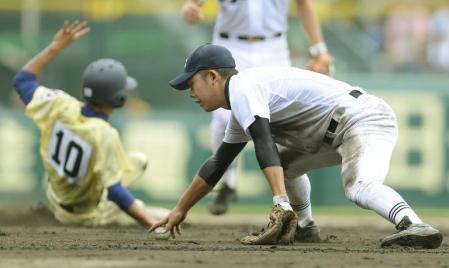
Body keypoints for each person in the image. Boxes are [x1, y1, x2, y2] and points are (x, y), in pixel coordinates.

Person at [150, 43, 443, 249]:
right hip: (337, 128)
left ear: (213, 76)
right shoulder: (241, 101)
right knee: (288, 166)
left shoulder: (242, 87)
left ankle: (413, 224)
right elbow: (218, 163)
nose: (191, 92)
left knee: (359, 185)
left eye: (192, 84)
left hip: (361, 119)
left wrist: (280, 201)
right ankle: (305, 226)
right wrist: (181, 209)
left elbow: (264, 142)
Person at [181, 1, 333, 237]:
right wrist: (191, 5)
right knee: (223, 115)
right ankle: (228, 183)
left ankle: (304, 219)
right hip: (230, 46)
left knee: (282, 136)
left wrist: (319, 48)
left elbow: (303, 3)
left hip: (273, 46)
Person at [11, 21, 170, 229]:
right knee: (137, 163)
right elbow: (115, 191)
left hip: (54, 193)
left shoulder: (59, 104)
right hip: (80, 216)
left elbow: (22, 81)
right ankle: (146, 212)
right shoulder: (104, 134)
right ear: (119, 99)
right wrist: (149, 223)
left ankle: (143, 210)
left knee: (113, 167)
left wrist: (54, 48)